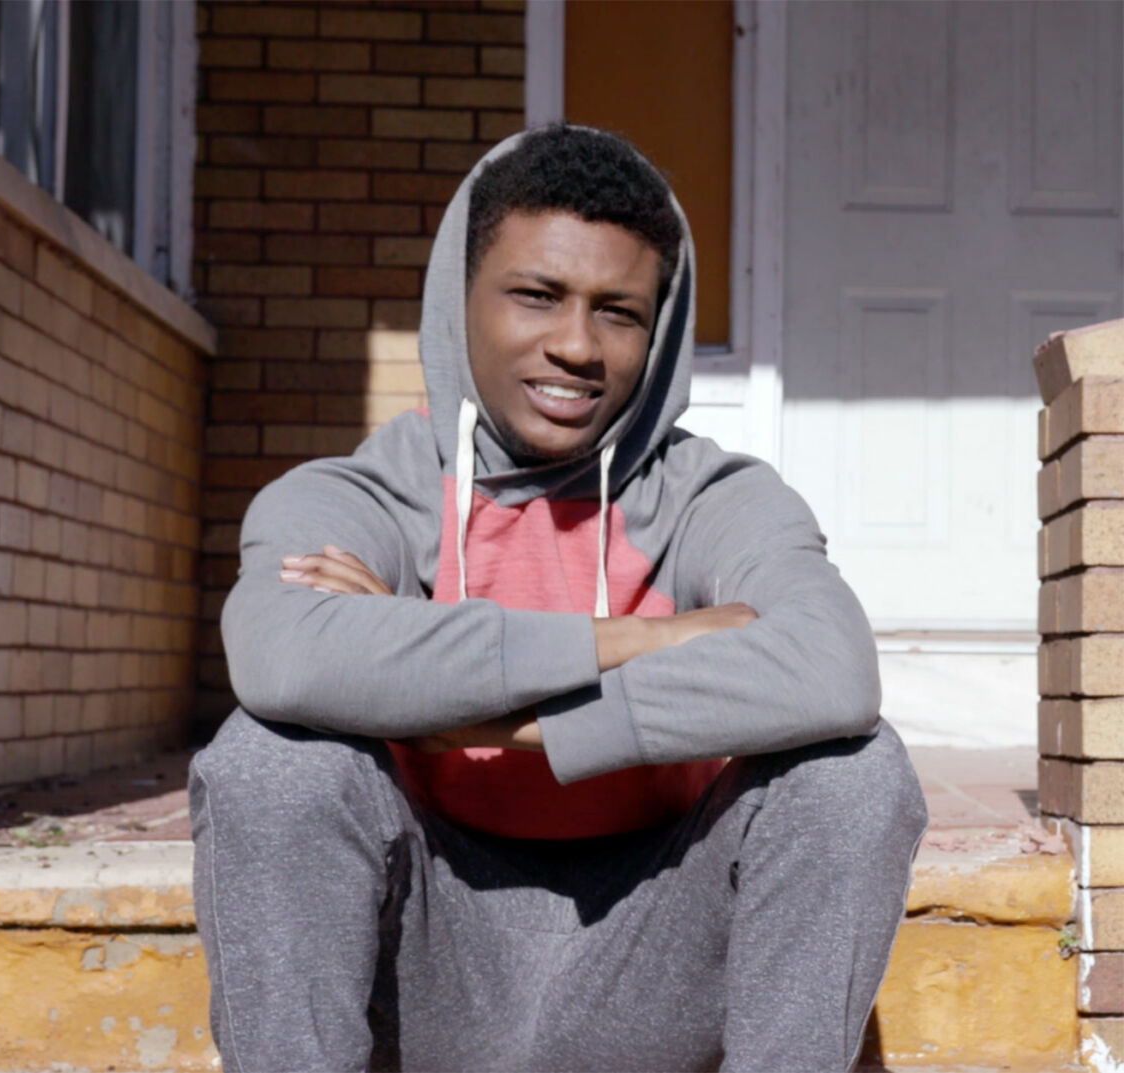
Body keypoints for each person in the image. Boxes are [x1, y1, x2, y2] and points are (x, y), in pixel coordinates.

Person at [189, 124, 927, 1073]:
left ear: (655, 331)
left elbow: (831, 667)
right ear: (463, 300)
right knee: (271, 760)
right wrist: (643, 639)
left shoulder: (714, 498)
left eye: (617, 311)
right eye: (536, 295)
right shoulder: (362, 494)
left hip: (653, 953)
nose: (576, 345)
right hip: (426, 960)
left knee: (853, 772)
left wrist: (454, 711)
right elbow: (285, 656)